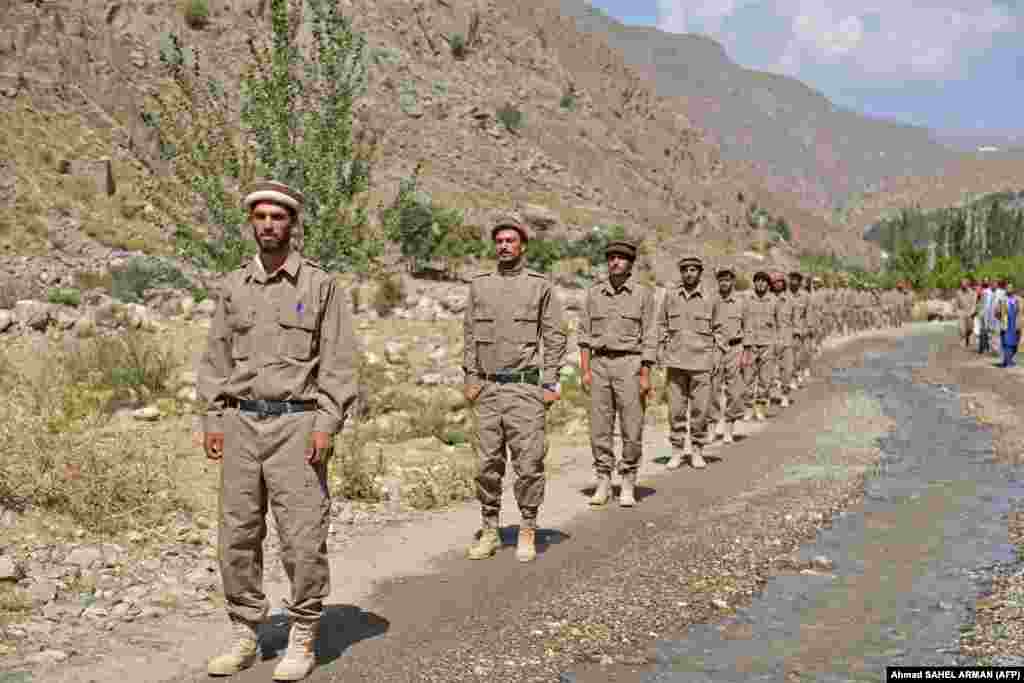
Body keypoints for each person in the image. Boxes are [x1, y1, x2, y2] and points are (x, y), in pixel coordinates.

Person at [197, 180, 358, 681]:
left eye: (278, 217)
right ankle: (246, 629)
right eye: (260, 217)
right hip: (242, 422)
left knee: (303, 537)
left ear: (293, 224)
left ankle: (304, 629)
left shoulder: (320, 286)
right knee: (237, 535)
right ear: (252, 224)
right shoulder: (232, 286)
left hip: (297, 423)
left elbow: (338, 362)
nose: (269, 225)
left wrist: (327, 423)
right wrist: (213, 417)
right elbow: (215, 358)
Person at [463, 216, 566, 562]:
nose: (503, 246)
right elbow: (468, 335)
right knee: (485, 464)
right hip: (488, 390)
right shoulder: (479, 286)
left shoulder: (540, 287)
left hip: (525, 389)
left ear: (523, 245)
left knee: (529, 462)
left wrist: (550, 381)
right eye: (499, 241)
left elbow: (554, 337)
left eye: (510, 240)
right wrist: (471, 377)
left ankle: (527, 528)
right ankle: (490, 530)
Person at [578, 239, 656, 508]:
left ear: (630, 264)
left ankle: (627, 480)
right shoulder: (593, 293)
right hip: (599, 365)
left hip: (630, 365)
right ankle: (602, 480)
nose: (615, 261)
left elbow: (650, 337)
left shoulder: (643, 294)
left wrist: (646, 375)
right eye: (611, 257)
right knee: (599, 428)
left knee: (631, 428)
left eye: (621, 258)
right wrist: (585, 370)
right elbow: (584, 336)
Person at [659, 256, 721, 470]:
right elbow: (661, 325)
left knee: (700, 411)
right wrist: (660, 352)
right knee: (675, 411)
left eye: (693, 269)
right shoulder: (671, 296)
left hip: (702, 363)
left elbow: (720, 331)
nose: (689, 273)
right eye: (685, 269)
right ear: (681, 272)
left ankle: (696, 450)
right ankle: (676, 451)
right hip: (675, 362)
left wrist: (717, 357)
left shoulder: (711, 298)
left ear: (700, 273)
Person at [709, 267, 746, 445]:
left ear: (733, 281)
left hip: (735, 347)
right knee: (712, 389)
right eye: (721, 279)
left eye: (728, 279)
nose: (724, 282)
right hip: (716, 348)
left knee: (734, 390)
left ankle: (729, 429)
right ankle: (712, 428)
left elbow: (748, 328)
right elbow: (707, 326)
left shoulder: (741, 302)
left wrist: (746, 352)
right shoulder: (712, 301)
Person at [741, 271, 777, 422]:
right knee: (748, 379)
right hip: (750, 344)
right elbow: (740, 320)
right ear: (754, 283)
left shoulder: (774, 301)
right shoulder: (746, 300)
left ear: (768, 284)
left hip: (767, 344)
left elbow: (780, 323)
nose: (760, 284)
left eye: (763, 281)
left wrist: (776, 343)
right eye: (757, 281)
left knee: (765, 380)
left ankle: (760, 408)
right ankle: (748, 408)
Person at [770, 272, 795, 407]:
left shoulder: (790, 300)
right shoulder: (768, 299)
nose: (777, 284)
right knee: (768, 372)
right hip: (770, 340)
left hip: (786, 340)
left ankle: (785, 395)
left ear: (783, 283)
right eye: (774, 282)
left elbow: (794, 320)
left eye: (779, 281)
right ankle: (766, 397)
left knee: (787, 370)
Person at [996, 283, 1020, 368]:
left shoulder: (1017, 299)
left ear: (1013, 289)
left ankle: (1009, 359)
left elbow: (1020, 311)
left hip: (1014, 324)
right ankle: (1007, 361)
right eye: (1007, 288)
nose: (1009, 289)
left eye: (1010, 288)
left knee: (1014, 343)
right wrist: (1001, 319)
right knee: (1006, 343)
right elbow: (997, 312)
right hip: (1006, 324)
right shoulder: (1002, 299)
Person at [955, 279, 978, 349]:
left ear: (968, 284)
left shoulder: (973, 292)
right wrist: (957, 311)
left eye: (965, 284)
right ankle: (963, 341)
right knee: (962, 328)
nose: (963, 285)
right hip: (962, 312)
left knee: (970, 328)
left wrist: (971, 312)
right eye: (962, 284)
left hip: (970, 312)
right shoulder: (958, 293)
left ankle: (968, 336)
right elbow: (957, 304)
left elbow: (974, 304)